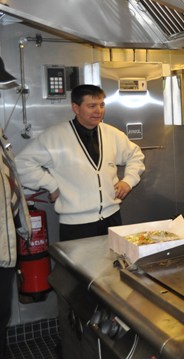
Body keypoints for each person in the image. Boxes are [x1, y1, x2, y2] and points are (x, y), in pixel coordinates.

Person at [15, 84, 145, 241]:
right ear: (75, 108)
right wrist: (51, 185)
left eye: (101, 105)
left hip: (112, 218)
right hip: (76, 226)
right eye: (91, 106)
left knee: (115, 257)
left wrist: (128, 181)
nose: (98, 111)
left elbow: (135, 155)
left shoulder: (112, 133)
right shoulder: (55, 137)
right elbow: (21, 164)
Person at [0, 129, 31, 357]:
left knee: (2, 311)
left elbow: (11, 184)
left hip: (5, 243)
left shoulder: (1, 138)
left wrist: (22, 222)